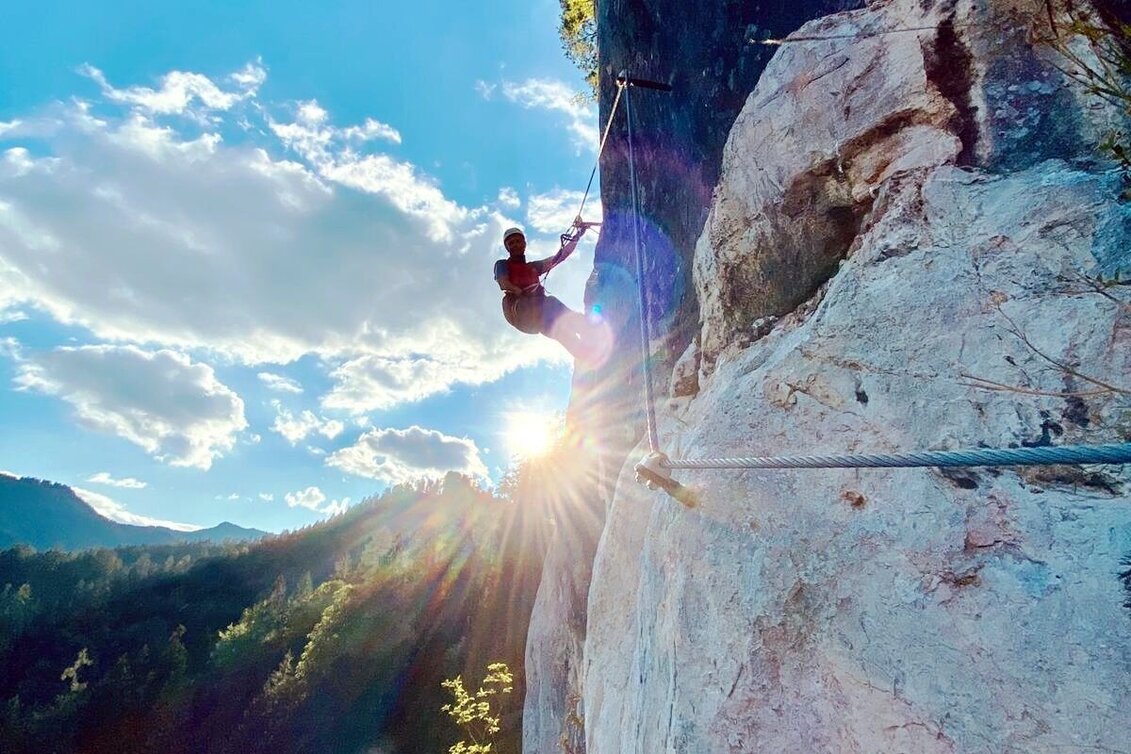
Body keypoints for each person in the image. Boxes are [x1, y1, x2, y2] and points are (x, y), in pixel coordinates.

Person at [494, 225, 598, 361]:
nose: (515, 245)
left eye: (518, 241)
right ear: (507, 247)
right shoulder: (502, 264)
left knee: (561, 332)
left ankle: (589, 356)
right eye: (511, 243)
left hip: (537, 316)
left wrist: (577, 236)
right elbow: (503, 282)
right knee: (551, 302)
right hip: (521, 310)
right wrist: (517, 290)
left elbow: (560, 257)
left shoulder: (532, 267)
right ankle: (588, 328)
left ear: (524, 244)